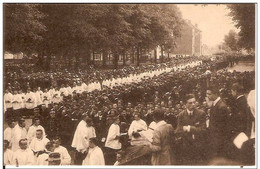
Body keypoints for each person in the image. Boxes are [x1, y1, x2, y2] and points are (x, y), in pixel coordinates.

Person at [175, 94, 206, 164]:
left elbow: (203, 129)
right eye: (190, 103)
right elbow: (178, 130)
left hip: (198, 146)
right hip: (186, 146)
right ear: (185, 104)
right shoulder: (181, 115)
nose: (193, 104)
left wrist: (189, 128)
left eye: (194, 102)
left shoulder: (201, 113)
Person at [206, 86, 231, 159]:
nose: (207, 96)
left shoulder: (221, 106)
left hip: (218, 138)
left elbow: (221, 126)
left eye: (209, 94)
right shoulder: (216, 103)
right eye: (207, 94)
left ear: (216, 94)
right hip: (215, 136)